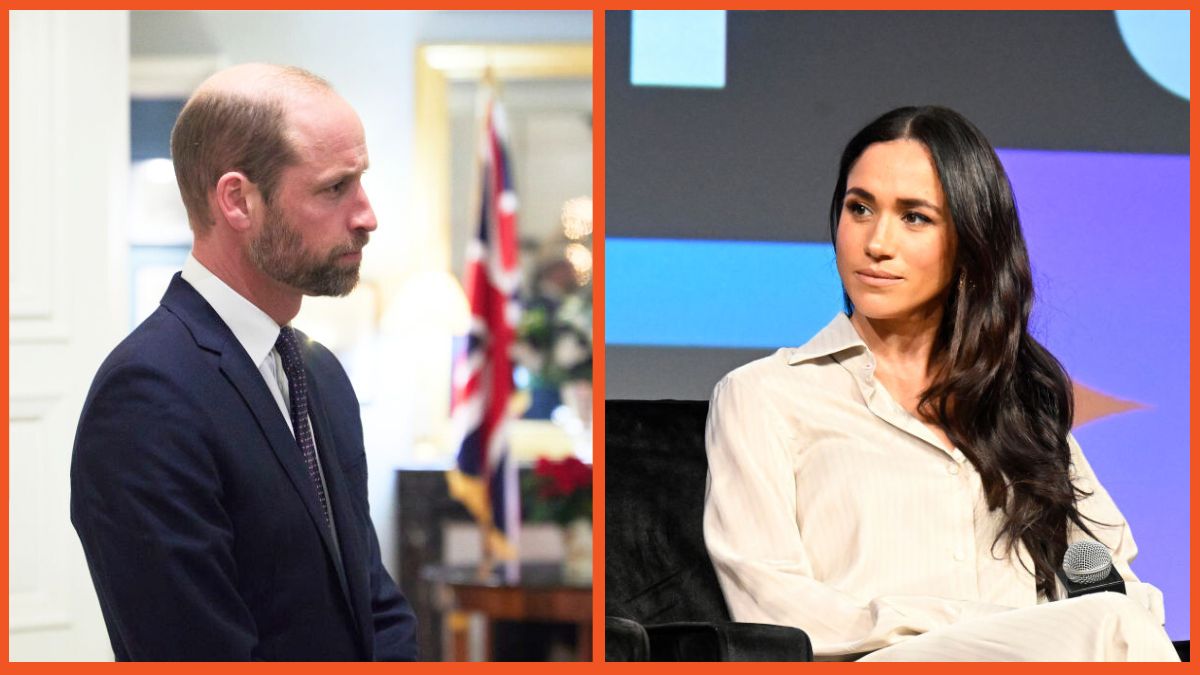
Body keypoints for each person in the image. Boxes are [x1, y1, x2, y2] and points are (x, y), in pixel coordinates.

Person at [702, 106, 1178, 661]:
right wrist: (971, 625)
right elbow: (771, 609)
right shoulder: (764, 395)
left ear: (969, 245)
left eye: (914, 217)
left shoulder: (1017, 405)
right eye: (860, 209)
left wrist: (1073, 617)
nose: (876, 242)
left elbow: (1103, 575)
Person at [70, 63, 417, 661]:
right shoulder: (146, 395)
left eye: (360, 182)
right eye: (335, 187)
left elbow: (373, 605)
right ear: (238, 201)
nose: (366, 215)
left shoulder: (321, 373)